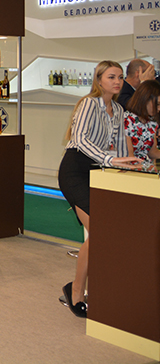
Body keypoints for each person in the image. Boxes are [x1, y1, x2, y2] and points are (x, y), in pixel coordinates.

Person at [58, 60, 142, 318]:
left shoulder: (118, 109)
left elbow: (119, 145)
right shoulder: (88, 104)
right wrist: (110, 160)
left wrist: (129, 163)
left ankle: (87, 287)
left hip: (97, 171)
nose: (117, 82)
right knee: (100, 230)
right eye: (111, 77)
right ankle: (76, 291)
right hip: (75, 171)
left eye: (120, 77)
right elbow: (80, 140)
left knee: (102, 233)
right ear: (99, 80)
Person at [123, 79, 160, 172]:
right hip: (130, 170)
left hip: (145, 169)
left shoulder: (152, 122)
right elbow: (129, 157)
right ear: (145, 100)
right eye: (157, 104)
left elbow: (152, 151)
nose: (159, 108)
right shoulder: (126, 120)